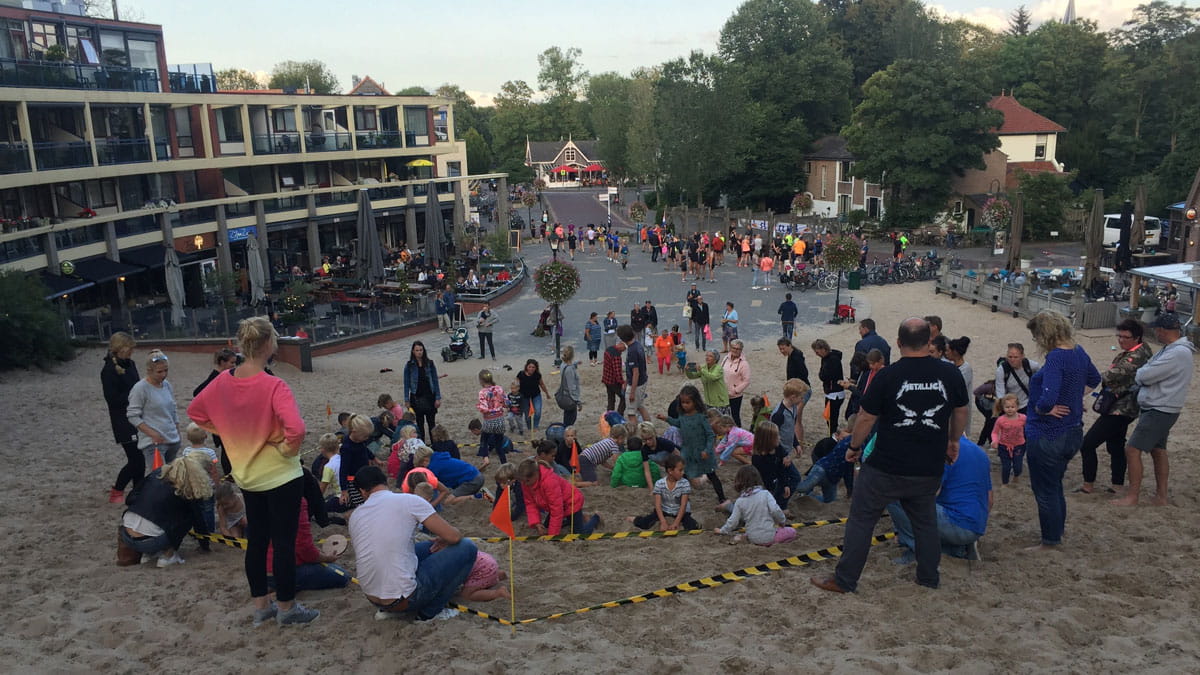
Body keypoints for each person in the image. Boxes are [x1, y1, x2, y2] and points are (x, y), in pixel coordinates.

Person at [811, 317, 968, 594]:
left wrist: (853, 447)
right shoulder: (950, 374)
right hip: (927, 464)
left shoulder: (888, 375)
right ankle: (928, 577)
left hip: (886, 466)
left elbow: (865, 417)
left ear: (898, 343)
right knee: (925, 522)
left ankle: (845, 580)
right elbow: (961, 410)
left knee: (861, 519)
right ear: (929, 341)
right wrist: (954, 440)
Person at [188, 316, 317, 626]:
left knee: (257, 540)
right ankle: (286, 607)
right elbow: (297, 429)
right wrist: (287, 449)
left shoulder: (222, 381)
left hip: (248, 476)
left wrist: (230, 434)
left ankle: (262, 605)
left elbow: (195, 412)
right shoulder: (274, 385)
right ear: (269, 344)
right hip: (281, 475)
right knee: (282, 543)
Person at [348, 466, 477, 622]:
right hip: (405, 599)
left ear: (363, 491)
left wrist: (443, 539)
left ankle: (389, 609)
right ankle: (430, 613)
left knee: (427, 547)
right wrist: (446, 538)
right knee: (467, 547)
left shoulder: (355, 515)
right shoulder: (408, 500)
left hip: (373, 597)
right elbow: (455, 537)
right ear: (386, 482)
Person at [1021, 310, 1101, 551]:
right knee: (1055, 486)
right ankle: (1057, 532)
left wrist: (1044, 409)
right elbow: (1095, 378)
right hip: (1072, 431)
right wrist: (1075, 398)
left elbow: (1047, 397)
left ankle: (1050, 540)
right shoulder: (1078, 351)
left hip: (1048, 433)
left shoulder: (1056, 357)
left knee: (1045, 489)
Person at [1112, 314, 1195, 507]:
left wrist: (1140, 374)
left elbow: (1146, 374)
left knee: (1132, 449)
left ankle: (1133, 496)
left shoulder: (1177, 352)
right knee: (1158, 450)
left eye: (1157, 329)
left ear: (1164, 330)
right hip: (1164, 405)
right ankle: (1161, 495)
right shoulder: (1174, 350)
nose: (1156, 333)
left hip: (1161, 407)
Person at [890, 435, 991, 564]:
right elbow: (990, 499)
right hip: (976, 527)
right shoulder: (979, 452)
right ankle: (957, 548)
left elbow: (928, 494)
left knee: (894, 494)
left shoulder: (942, 449)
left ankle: (917, 552)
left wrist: (903, 530)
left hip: (954, 522)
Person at [1076, 320, 1151, 494]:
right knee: (1116, 445)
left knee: (1088, 444)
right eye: (1120, 336)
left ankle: (1088, 484)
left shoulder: (1137, 355)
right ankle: (1116, 484)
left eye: (1126, 337)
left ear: (1137, 337)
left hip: (1121, 408)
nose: (1121, 340)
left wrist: (1089, 377)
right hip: (1123, 406)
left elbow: (1112, 374)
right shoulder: (1140, 349)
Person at [116, 455, 212, 568]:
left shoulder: (155, 475)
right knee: (188, 517)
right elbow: (198, 520)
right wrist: (205, 546)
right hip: (152, 541)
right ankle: (168, 556)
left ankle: (148, 554)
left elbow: (130, 499)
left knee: (157, 518)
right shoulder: (187, 491)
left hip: (127, 535)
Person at [658, 385, 725, 504]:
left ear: (695, 402)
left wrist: (707, 450)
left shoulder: (701, 417)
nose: (685, 405)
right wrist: (666, 419)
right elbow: (678, 423)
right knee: (683, 475)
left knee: (711, 475)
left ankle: (721, 497)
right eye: (683, 402)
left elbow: (710, 435)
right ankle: (683, 498)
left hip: (701, 451)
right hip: (687, 451)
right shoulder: (683, 416)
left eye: (687, 402)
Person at [266, 497, 350, 592]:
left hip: (262, 568)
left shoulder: (262, 496)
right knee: (343, 576)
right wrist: (327, 558)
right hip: (285, 570)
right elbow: (305, 550)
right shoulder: (296, 501)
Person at [126, 349, 180, 473]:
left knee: (173, 476)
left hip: (172, 439)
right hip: (153, 443)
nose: (163, 374)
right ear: (149, 370)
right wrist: (152, 434)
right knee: (159, 478)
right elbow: (132, 415)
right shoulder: (140, 388)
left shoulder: (166, 385)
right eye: (159, 371)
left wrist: (177, 429)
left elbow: (173, 409)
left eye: (166, 370)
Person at [103, 332, 141, 504]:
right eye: (128, 348)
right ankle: (118, 489)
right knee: (135, 458)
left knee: (140, 457)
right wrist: (133, 394)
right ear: (119, 348)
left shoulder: (130, 364)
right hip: (122, 420)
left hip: (137, 416)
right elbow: (112, 399)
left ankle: (138, 491)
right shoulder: (109, 371)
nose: (131, 352)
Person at [715, 466, 796, 546]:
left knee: (751, 529)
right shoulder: (765, 494)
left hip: (753, 537)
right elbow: (775, 510)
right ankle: (773, 542)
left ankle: (742, 537)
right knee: (792, 532)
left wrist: (722, 530)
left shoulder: (740, 501)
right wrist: (782, 521)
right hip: (769, 536)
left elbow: (733, 521)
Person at [517, 458, 600, 536]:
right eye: (523, 481)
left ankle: (596, 517)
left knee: (579, 534)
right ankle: (579, 518)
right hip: (558, 505)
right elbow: (530, 503)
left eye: (527, 481)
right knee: (545, 527)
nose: (525, 484)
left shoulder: (549, 482)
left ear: (536, 474)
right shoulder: (526, 483)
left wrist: (552, 536)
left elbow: (556, 510)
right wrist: (537, 523)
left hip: (572, 502)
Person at [629, 455, 698, 531]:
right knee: (644, 523)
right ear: (670, 471)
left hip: (681, 512)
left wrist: (676, 523)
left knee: (693, 526)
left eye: (683, 470)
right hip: (664, 510)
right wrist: (663, 522)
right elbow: (657, 505)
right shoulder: (660, 483)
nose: (683, 473)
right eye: (680, 470)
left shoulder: (685, 483)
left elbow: (683, 505)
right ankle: (634, 519)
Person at [402, 341, 441, 441]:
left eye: (421, 350)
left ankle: (434, 444)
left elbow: (435, 381)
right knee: (419, 424)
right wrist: (406, 400)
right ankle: (421, 444)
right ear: (413, 352)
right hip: (416, 398)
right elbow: (406, 384)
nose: (419, 352)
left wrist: (437, 397)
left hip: (429, 396)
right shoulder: (409, 365)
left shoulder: (430, 363)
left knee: (431, 423)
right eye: (417, 350)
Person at [474, 370, 509, 470]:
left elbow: (483, 408)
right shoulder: (499, 388)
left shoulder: (482, 392)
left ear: (481, 380)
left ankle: (486, 459)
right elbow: (506, 403)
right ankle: (504, 464)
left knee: (484, 441)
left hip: (489, 421)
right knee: (499, 445)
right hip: (500, 421)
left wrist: (484, 408)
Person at [991, 394, 1027, 486]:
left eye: (1012, 407)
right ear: (1003, 407)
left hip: (1019, 446)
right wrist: (995, 441)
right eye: (1007, 407)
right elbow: (994, 432)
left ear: (1017, 407)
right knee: (1006, 467)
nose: (1010, 409)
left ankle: (1016, 476)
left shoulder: (1023, 418)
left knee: (1018, 466)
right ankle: (1005, 483)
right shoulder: (1000, 420)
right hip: (1004, 446)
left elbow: (1029, 429)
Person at [812, 339, 845, 436]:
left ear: (823, 349)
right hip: (833, 393)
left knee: (831, 420)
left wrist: (821, 375)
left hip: (834, 394)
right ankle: (834, 435)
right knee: (830, 419)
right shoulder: (828, 358)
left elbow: (824, 376)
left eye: (817, 351)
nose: (816, 354)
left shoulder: (832, 360)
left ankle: (834, 438)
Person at [686, 350, 731, 415]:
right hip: (708, 402)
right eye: (706, 355)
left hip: (720, 402)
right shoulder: (703, 367)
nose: (707, 357)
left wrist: (701, 370)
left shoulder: (719, 368)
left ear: (715, 359)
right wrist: (687, 371)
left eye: (710, 356)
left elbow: (713, 377)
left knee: (721, 423)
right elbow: (692, 376)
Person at [946, 336, 974, 436]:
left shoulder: (966, 369)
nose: (946, 353)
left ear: (955, 352)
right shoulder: (950, 365)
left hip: (960, 405)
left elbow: (956, 387)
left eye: (948, 350)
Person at [722, 340, 752, 428]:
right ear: (730, 348)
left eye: (738, 349)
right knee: (724, 416)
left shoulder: (744, 364)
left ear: (741, 350)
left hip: (735, 396)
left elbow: (746, 380)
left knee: (735, 416)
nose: (735, 350)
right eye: (733, 348)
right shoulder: (725, 358)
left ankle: (738, 434)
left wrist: (736, 390)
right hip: (723, 393)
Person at [517, 359, 550, 432]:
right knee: (527, 415)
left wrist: (547, 393)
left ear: (536, 368)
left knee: (537, 411)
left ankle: (535, 426)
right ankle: (529, 427)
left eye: (533, 367)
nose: (531, 369)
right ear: (526, 367)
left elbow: (542, 384)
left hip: (536, 395)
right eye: (530, 367)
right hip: (524, 396)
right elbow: (516, 384)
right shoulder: (521, 374)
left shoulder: (537, 375)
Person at [557, 345, 582, 428]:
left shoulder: (563, 365)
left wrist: (575, 363)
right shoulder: (570, 370)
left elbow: (568, 365)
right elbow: (572, 387)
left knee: (567, 416)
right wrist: (578, 401)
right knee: (571, 419)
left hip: (564, 395)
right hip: (570, 398)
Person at [601, 337, 627, 414]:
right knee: (624, 397)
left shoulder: (608, 349)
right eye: (624, 349)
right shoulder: (616, 356)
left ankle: (609, 415)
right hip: (613, 381)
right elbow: (617, 371)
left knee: (611, 399)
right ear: (621, 346)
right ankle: (619, 414)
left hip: (606, 379)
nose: (624, 351)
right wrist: (622, 382)